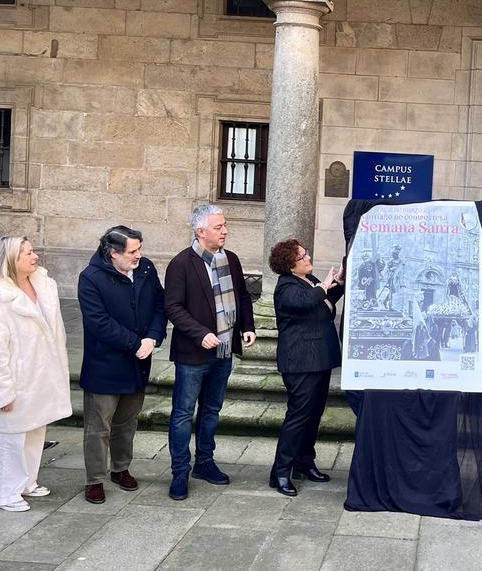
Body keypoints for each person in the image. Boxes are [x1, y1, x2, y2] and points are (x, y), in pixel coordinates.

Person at [164, 204, 256, 500]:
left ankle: (205, 462)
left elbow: (242, 295)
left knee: (212, 410)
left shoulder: (231, 259)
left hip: (224, 350)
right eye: (219, 227)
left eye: (225, 225)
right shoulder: (182, 263)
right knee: (182, 414)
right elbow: (173, 308)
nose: (225, 230)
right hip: (193, 354)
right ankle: (180, 472)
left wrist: (247, 326)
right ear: (200, 231)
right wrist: (200, 333)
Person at [0, 236, 72, 512]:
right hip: (17, 378)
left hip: (41, 375)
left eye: (33, 251)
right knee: (12, 437)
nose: (35, 257)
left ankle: (28, 481)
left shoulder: (42, 285)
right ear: (12, 260)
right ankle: (6, 492)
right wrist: (0, 391)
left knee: (36, 430)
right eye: (28, 253)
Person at [77, 225, 166, 504]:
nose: (139, 255)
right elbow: (98, 322)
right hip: (105, 364)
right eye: (132, 251)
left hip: (139, 362)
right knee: (98, 426)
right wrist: (135, 343)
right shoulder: (90, 278)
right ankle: (95, 479)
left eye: (140, 249)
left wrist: (153, 337)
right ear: (113, 253)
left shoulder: (146, 269)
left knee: (127, 421)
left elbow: (160, 305)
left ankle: (120, 468)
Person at [267, 239, 344, 497]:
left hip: (319, 359)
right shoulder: (286, 287)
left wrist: (337, 283)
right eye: (303, 256)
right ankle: (280, 471)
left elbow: (323, 301)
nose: (308, 258)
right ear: (290, 265)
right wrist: (322, 287)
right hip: (300, 362)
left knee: (314, 414)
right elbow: (305, 302)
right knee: (298, 416)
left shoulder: (308, 280)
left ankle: (304, 461)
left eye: (307, 254)